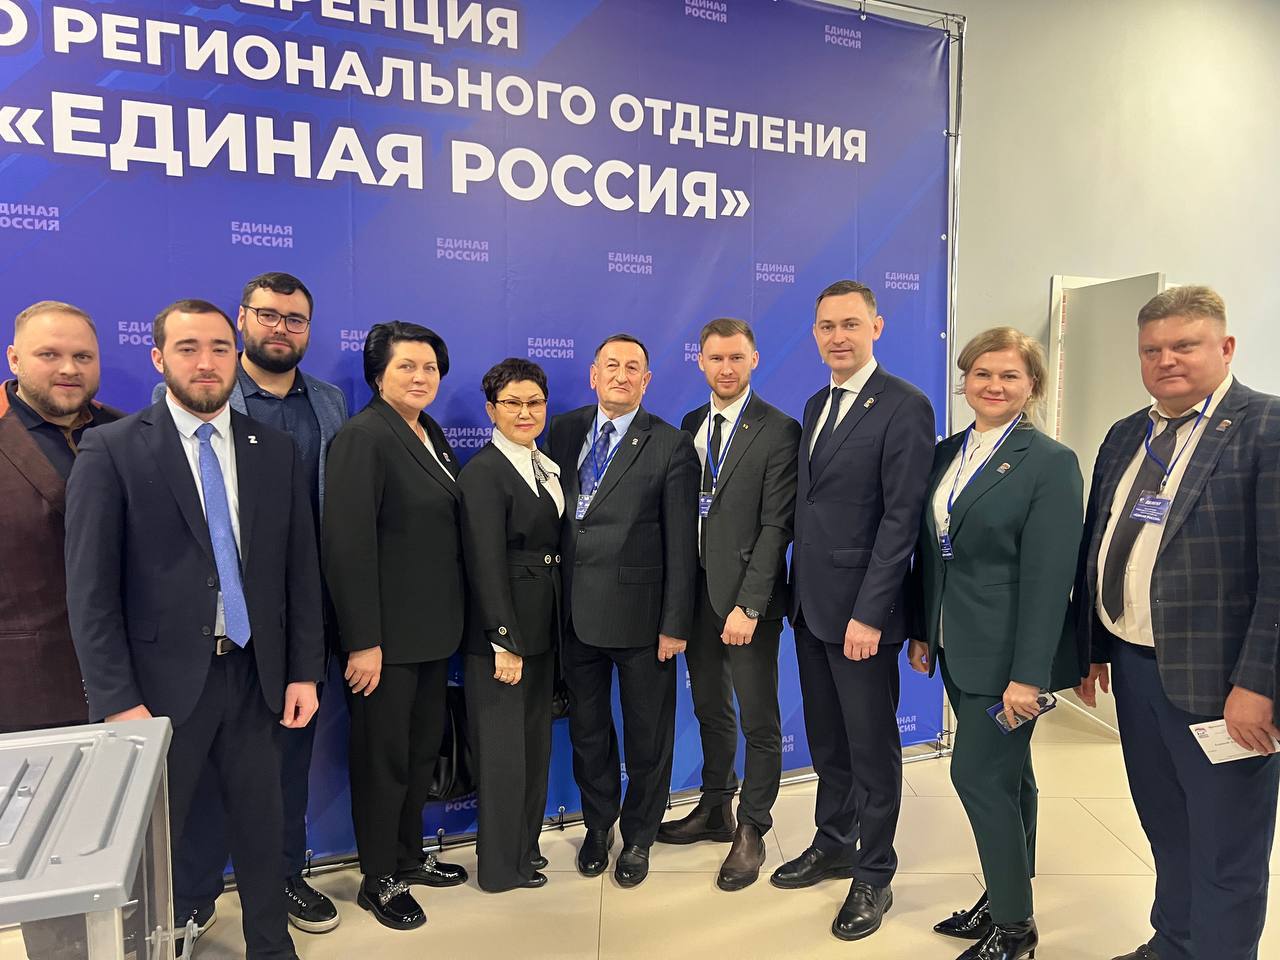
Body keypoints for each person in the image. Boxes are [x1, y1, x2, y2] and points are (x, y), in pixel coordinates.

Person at [65, 299, 324, 960]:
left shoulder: (274, 450)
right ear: (159, 358)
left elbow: (299, 571)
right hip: (157, 690)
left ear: (235, 356)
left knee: (263, 828)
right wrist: (117, 700)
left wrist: (303, 670)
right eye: (187, 348)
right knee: (155, 844)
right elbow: (91, 592)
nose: (205, 362)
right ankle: (151, 946)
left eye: (218, 347)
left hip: (256, 676)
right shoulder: (113, 449)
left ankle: (271, 946)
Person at [1074, 286, 1280, 960]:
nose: (1166, 360)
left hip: (1223, 684)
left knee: (1226, 846)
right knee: (1166, 824)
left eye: (1184, 346)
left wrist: (1260, 683)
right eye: (1152, 350)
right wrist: (1093, 645)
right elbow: (1101, 542)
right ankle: (1174, 942)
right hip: (1135, 669)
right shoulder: (1127, 434)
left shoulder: (1266, 427)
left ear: (1225, 348)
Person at [153, 272, 348, 940]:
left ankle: (287, 877)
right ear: (243, 321)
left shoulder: (327, 404)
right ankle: (195, 894)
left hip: (296, 615)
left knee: (285, 769)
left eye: (296, 319)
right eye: (268, 315)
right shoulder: (193, 399)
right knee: (199, 777)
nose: (281, 329)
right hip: (201, 627)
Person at [906, 327, 1084, 960]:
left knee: (978, 776)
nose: (994, 385)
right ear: (965, 381)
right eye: (982, 373)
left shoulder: (1050, 462)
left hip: (1009, 656)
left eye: (1010, 375)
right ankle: (1008, 892)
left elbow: (1049, 580)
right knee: (1014, 778)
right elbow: (932, 552)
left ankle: (1015, 928)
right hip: (957, 643)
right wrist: (923, 629)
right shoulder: (947, 452)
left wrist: (1029, 675)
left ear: (1032, 384)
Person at [774, 279, 935, 943]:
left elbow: (901, 520)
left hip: (862, 616)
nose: (837, 336)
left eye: (849, 324)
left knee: (871, 748)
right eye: (826, 326)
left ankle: (874, 873)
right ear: (815, 335)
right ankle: (834, 842)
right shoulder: (817, 403)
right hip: (811, 607)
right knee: (828, 741)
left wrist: (871, 613)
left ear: (876, 326)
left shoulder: (905, 405)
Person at [323, 321, 468, 931]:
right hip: (384, 643)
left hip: (432, 635)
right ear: (378, 373)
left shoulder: (428, 432)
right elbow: (348, 546)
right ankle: (378, 877)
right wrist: (363, 641)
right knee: (381, 761)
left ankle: (408, 857)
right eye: (406, 365)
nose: (420, 377)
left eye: (430, 367)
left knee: (416, 755)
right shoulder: (363, 437)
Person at [544, 333, 699, 888]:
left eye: (633, 368)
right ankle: (597, 825)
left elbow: (682, 544)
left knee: (647, 737)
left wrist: (675, 623)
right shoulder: (563, 430)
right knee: (588, 732)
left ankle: (638, 837)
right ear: (593, 374)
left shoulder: (671, 444)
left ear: (646, 381)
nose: (621, 375)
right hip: (574, 616)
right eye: (611, 365)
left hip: (644, 620)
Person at [658, 318, 800, 891]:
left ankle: (752, 827)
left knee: (759, 718)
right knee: (710, 708)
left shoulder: (779, 429)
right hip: (697, 592)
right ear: (700, 361)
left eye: (736, 358)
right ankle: (716, 806)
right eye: (715, 358)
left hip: (746, 599)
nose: (726, 368)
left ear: (754, 359)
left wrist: (751, 604)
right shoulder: (693, 423)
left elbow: (776, 526)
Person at [2, 300, 122, 960]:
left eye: (82, 356)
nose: (68, 368)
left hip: (129, 687)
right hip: (26, 689)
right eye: (50, 355)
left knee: (124, 845)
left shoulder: (129, 433)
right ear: (15, 358)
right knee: (44, 858)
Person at [458, 358, 563, 892]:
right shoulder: (483, 472)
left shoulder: (542, 464)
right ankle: (500, 868)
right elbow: (484, 562)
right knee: (502, 754)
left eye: (535, 402)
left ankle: (525, 849)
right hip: (504, 637)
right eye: (513, 403)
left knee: (533, 747)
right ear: (491, 410)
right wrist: (502, 639)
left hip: (544, 629)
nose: (525, 412)